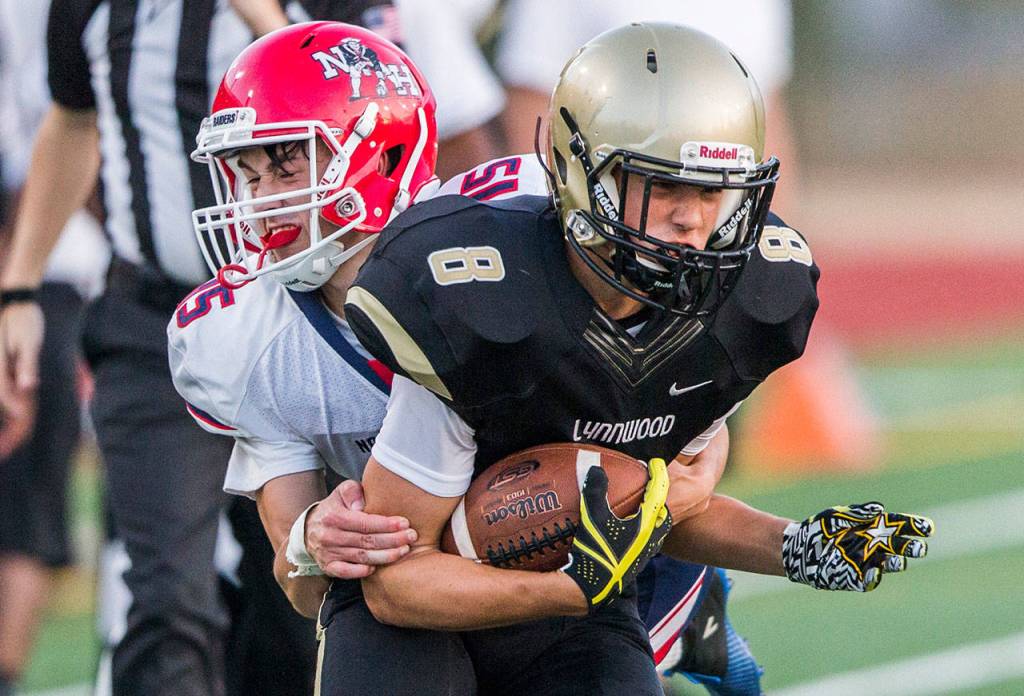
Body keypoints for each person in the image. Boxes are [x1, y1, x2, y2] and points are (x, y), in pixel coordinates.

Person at [343, 22, 933, 695]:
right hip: (420, 607)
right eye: (664, 187)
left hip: (579, 610)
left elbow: (658, 500)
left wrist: (797, 547)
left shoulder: (742, 309)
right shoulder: (481, 305)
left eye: (714, 191)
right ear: (581, 174)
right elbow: (395, 581)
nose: (690, 220)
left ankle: (680, 608)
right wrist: (569, 589)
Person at [169, 21, 726, 696]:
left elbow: (691, 409)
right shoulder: (244, 336)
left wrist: (675, 494)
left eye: (286, 164)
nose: (259, 201)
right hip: (402, 594)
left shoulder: (512, 232)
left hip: (569, 569)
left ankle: (674, 597)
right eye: (247, 172)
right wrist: (316, 538)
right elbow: (299, 581)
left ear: (380, 155)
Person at [0, 2, 402, 695]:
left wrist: (266, 18)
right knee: (167, 597)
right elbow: (72, 121)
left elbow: (376, 122)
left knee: (300, 603)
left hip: (304, 316)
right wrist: (19, 289)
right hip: (153, 321)